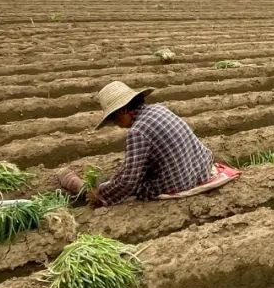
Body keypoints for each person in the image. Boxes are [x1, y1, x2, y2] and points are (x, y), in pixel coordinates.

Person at [58, 81, 216, 206]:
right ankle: (93, 186)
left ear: (123, 110)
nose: (116, 124)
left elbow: (128, 182)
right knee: (129, 173)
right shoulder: (158, 108)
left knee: (131, 187)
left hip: (179, 183)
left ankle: (83, 189)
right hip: (201, 167)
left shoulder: (138, 132)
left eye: (114, 118)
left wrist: (100, 195)